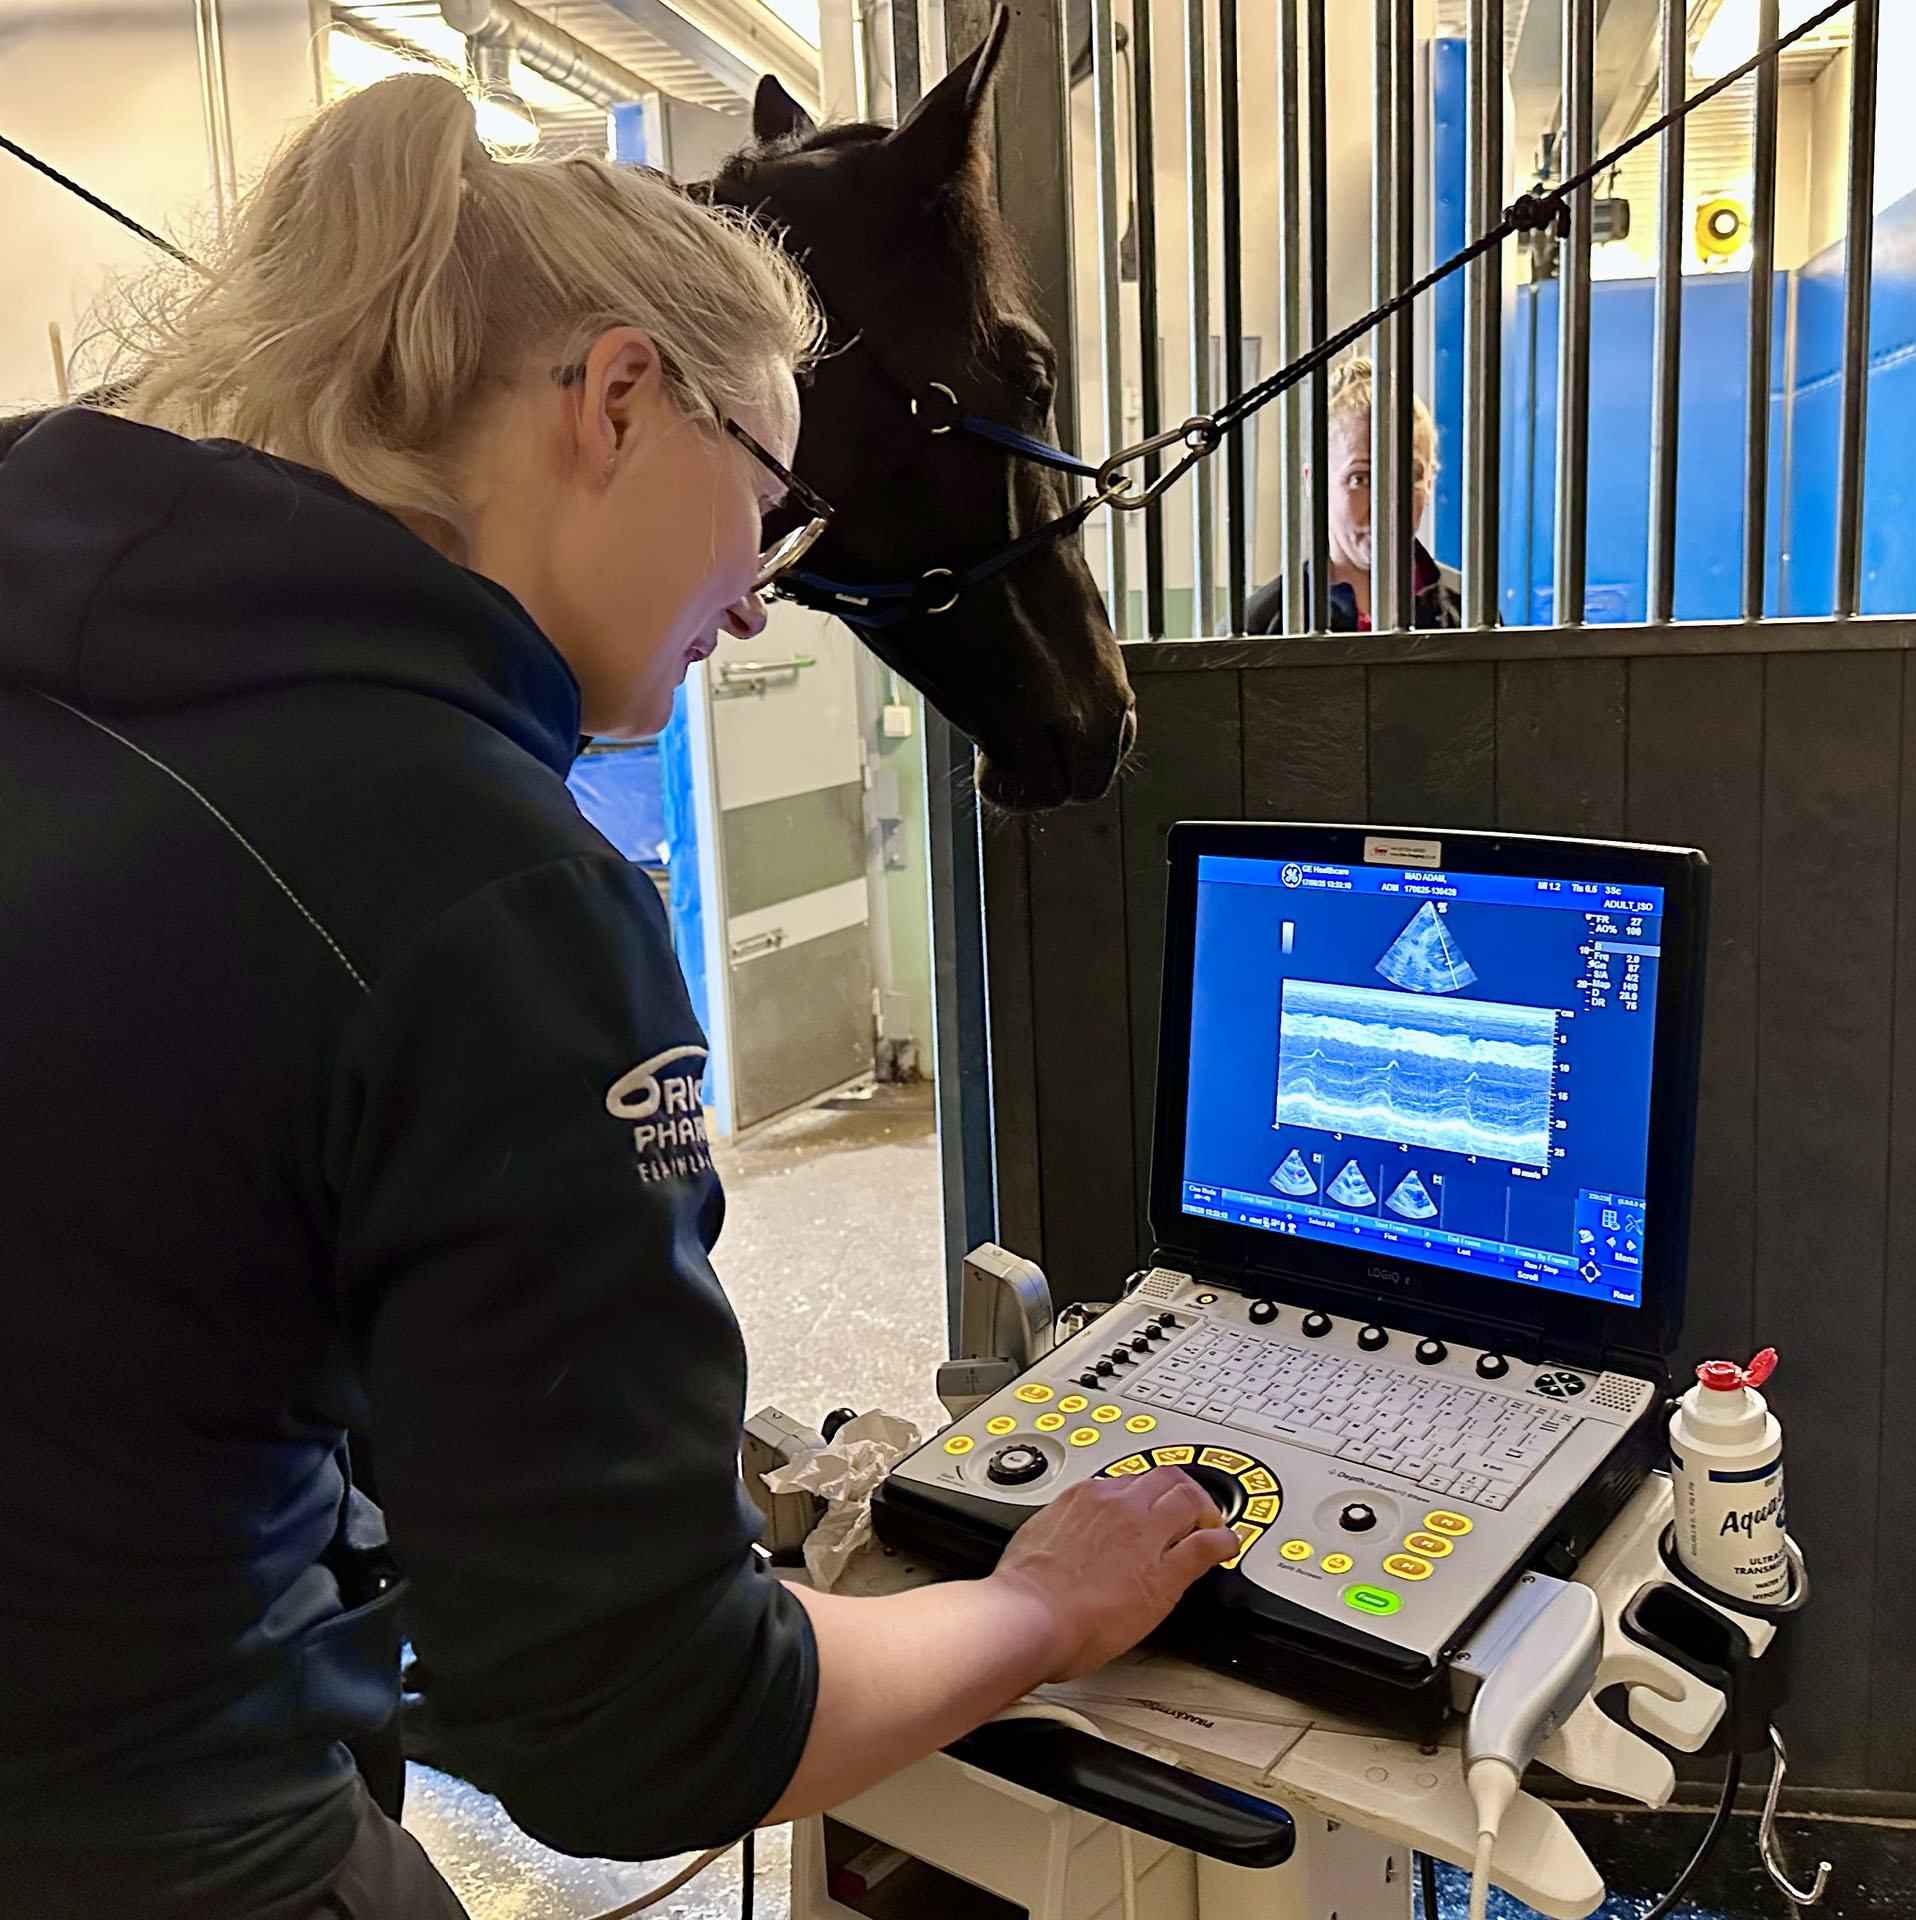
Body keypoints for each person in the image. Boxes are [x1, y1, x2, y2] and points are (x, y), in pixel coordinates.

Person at [0, 75, 1235, 1920]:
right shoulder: (491, 883)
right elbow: (647, 1728)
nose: (756, 604)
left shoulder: (68, 652)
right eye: (768, 505)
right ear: (621, 399)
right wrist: (1043, 1605)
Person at [1243, 355, 1462, 634]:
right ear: (1315, 482)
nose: (1388, 505)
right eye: (1361, 479)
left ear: (1430, 481)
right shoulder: (1259, 630)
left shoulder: (1469, 612)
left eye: (1410, 477)